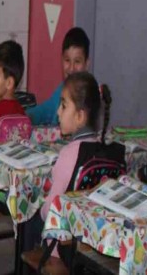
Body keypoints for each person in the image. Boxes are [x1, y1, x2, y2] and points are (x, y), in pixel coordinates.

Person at [41, 72, 112, 220]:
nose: (58, 112)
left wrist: (40, 211)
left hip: (61, 230)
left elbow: (50, 210)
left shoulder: (69, 154)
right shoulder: (104, 151)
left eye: (63, 106)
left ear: (80, 116)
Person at [26, 28, 90, 125]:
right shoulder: (62, 89)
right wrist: (26, 116)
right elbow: (45, 109)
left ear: (86, 64)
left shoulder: (89, 94)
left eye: (77, 61)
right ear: (61, 59)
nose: (71, 68)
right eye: (67, 60)